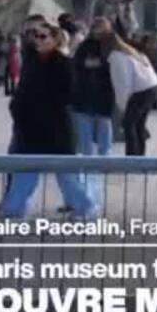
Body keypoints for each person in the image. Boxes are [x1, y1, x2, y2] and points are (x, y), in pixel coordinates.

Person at [0, 23, 97, 219]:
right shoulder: (32, 61)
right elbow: (22, 91)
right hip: (30, 128)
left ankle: (85, 208)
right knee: (24, 173)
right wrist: (16, 108)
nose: (38, 40)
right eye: (35, 36)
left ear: (55, 39)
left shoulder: (64, 64)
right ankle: (13, 211)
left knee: (67, 176)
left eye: (43, 36)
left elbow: (69, 94)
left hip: (55, 127)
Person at [69, 17, 116, 211]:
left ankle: (104, 159)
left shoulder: (111, 46)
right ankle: (88, 159)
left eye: (101, 28)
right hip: (83, 94)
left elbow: (113, 66)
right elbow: (77, 65)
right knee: (85, 131)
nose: (97, 31)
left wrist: (95, 64)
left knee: (104, 127)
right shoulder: (84, 46)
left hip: (104, 94)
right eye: (95, 28)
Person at [108, 32, 157, 156]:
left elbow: (123, 82)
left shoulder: (116, 56)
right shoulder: (130, 51)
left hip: (141, 90)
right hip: (151, 86)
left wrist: (122, 105)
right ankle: (140, 155)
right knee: (139, 124)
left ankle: (132, 156)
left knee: (129, 124)